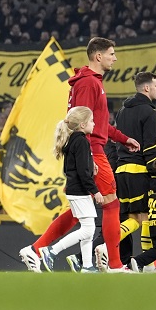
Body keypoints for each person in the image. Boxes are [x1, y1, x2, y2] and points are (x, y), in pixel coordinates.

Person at [21, 38, 139, 273]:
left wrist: (123, 138)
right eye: (111, 54)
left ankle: (36, 250)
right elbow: (81, 125)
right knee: (111, 204)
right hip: (92, 151)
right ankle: (115, 264)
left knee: (79, 211)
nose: (114, 58)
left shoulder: (90, 82)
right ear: (98, 56)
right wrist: (86, 159)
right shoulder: (88, 83)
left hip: (92, 149)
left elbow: (98, 124)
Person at [34, 106, 103, 273]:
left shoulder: (73, 140)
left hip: (75, 189)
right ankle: (51, 251)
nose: (94, 124)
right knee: (88, 229)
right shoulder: (81, 141)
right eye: (92, 121)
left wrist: (89, 166)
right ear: (82, 125)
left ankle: (87, 266)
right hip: (79, 191)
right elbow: (81, 172)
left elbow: (70, 168)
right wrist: (96, 191)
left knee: (88, 228)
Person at [109, 72, 156, 268]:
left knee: (130, 218)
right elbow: (150, 147)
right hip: (139, 171)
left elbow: (116, 142)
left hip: (122, 171)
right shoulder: (151, 112)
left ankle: (109, 249)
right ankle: (147, 265)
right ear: (146, 88)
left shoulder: (122, 111)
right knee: (145, 217)